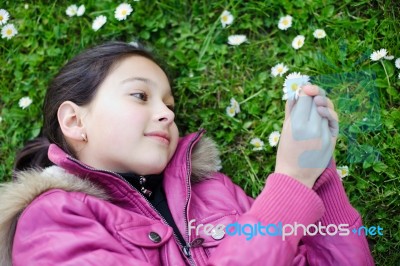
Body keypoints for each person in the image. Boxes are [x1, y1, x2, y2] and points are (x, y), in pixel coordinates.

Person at [0, 41, 374, 265]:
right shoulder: (51, 218)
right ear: (74, 121)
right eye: (140, 96)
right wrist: (288, 182)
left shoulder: (218, 192)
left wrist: (314, 175)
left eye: (169, 105)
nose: (166, 113)